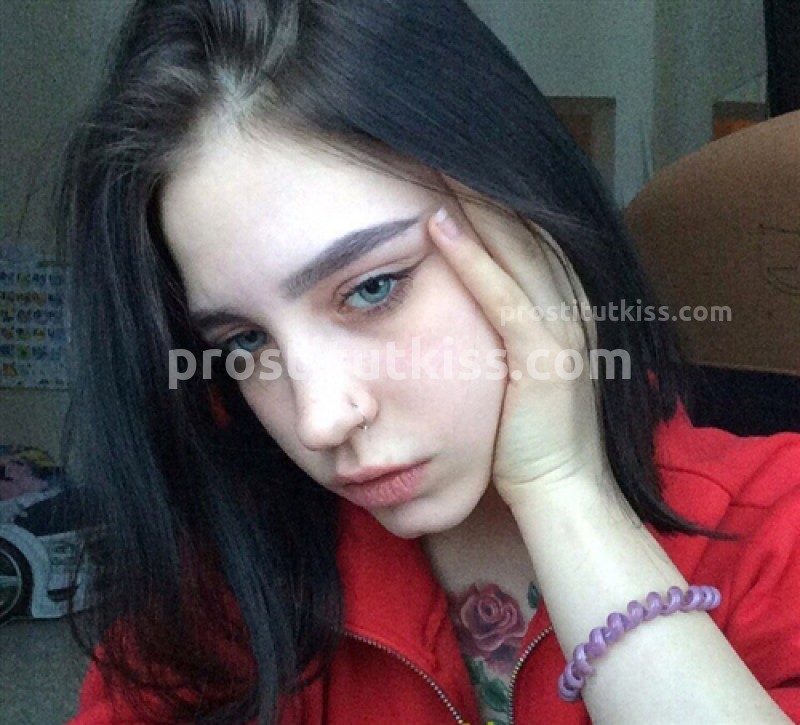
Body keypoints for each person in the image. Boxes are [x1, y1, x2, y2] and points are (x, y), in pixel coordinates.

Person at [58, 1, 799, 723]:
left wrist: (565, 492)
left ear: (527, 221)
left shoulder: (777, 527)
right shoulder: (217, 585)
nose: (319, 420)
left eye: (373, 288)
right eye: (245, 342)